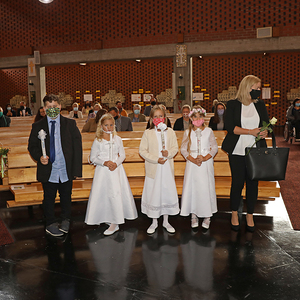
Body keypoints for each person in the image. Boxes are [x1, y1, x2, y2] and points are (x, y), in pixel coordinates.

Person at [28, 94, 82, 237]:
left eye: (55, 106)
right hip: (49, 168)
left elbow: (77, 147)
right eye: (49, 107)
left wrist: (76, 170)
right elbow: (32, 146)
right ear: (44, 109)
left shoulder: (70, 124)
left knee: (66, 196)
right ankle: (50, 222)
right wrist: (39, 157)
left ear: (59, 107)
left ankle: (66, 219)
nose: (52, 109)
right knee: (49, 197)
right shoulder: (37, 126)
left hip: (65, 168)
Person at [221, 75, 269, 232]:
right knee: (237, 183)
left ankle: (250, 214)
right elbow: (230, 127)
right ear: (247, 87)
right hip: (237, 150)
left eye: (259, 88)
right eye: (256, 88)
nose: (258, 91)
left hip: (255, 151)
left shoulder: (260, 105)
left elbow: (266, 124)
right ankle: (234, 213)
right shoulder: (233, 104)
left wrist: (264, 132)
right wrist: (251, 132)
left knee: (252, 184)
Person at [84, 113, 138, 235]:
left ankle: (115, 222)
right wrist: (105, 162)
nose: (109, 127)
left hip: (116, 171)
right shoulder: (98, 140)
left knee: (115, 194)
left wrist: (116, 163)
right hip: (102, 172)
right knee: (104, 195)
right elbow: (93, 158)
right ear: (101, 126)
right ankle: (107, 217)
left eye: (111, 125)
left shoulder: (117, 139)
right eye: (106, 125)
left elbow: (122, 155)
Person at [139, 104, 180, 234]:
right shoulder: (148, 133)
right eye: (155, 116)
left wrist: (169, 153)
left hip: (166, 168)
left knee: (166, 193)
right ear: (151, 119)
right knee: (154, 193)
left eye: (160, 116)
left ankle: (166, 221)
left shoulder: (170, 132)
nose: (158, 118)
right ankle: (154, 221)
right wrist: (156, 159)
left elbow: (175, 148)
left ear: (165, 117)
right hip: (154, 169)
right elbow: (142, 151)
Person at [180, 106, 218, 229]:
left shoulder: (209, 131)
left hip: (205, 164)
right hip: (192, 165)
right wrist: (192, 159)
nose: (198, 119)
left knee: (205, 188)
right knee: (193, 188)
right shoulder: (187, 132)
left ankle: (207, 216)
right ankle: (194, 214)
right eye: (195, 117)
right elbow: (183, 149)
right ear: (191, 118)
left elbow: (214, 148)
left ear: (203, 118)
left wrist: (205, 158)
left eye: (200, 116)